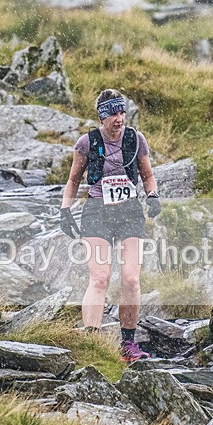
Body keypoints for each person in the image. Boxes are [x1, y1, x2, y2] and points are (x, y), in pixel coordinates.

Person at [59, 89, 162, 362]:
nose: (119, 119)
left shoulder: (135, 139)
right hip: (97, 213)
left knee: (131, 279)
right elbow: (73, 180)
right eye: (113, 114)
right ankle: (92, 344)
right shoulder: (87, 142)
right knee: (100, 277)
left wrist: (153, 195)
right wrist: (65, 211)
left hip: (129, 213)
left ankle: (128, 344)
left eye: (122, 112)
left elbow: (148, 176)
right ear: (102, 117)